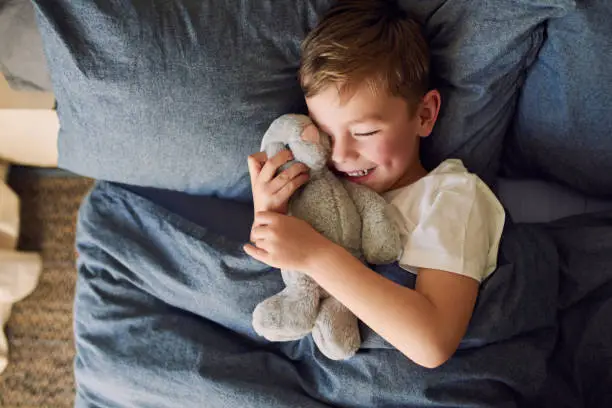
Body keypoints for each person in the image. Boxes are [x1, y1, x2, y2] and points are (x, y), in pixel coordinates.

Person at [244, 0, 505, 369]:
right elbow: (291, 289)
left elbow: (432, 341)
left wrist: (315, 254)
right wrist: (270, 216)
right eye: (324, 134)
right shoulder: (323, 186)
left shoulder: (452, 196)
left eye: (364, 131)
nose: (340, 155)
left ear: (425, 115)